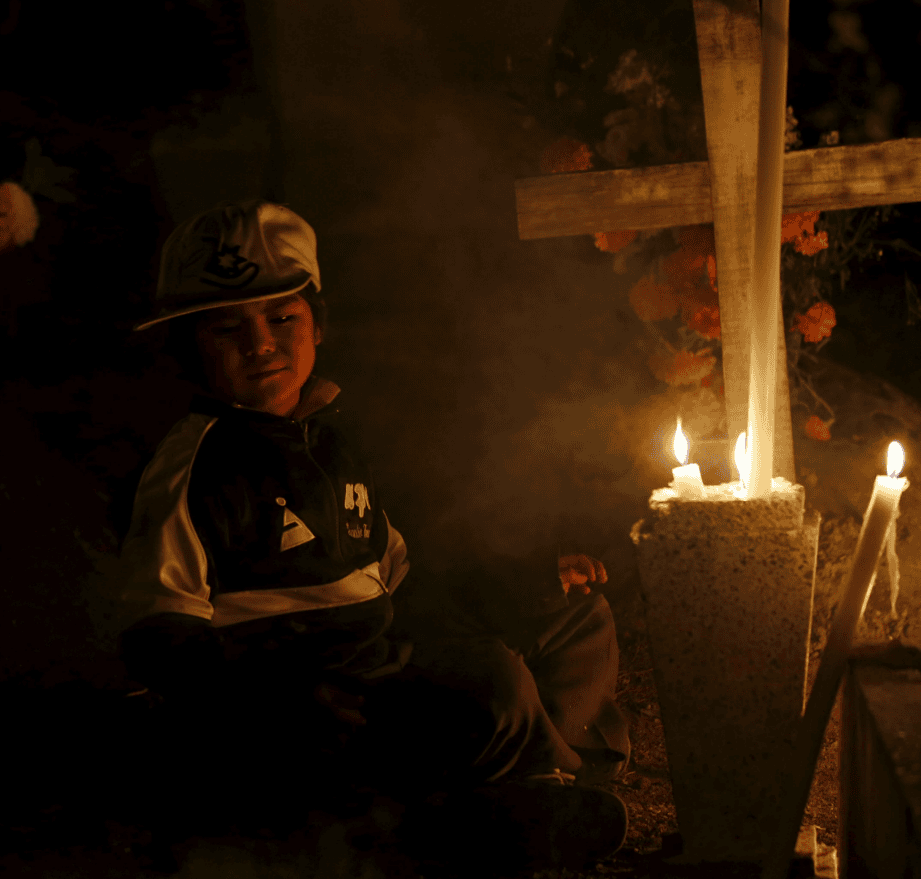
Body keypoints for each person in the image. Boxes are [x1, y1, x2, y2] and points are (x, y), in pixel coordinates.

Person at [107, 201, 632, 870]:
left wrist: (528, 585)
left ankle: (539, 789)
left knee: (574, 619)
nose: (260, 342)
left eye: (281, 318)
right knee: (489, 678)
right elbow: (158, 638)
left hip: (386, 658)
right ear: (186, 348)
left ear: (318, 325)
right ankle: (525, 802)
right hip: (314, 704)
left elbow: (404, 582)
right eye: (225, 329)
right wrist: (275, 700)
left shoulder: (332, 440)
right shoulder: (195, 466)